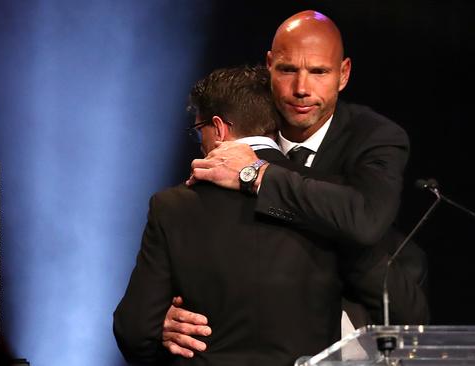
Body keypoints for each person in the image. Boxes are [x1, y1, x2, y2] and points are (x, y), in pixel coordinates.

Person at [162, 10, 429, 358]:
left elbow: (364, 221)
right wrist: (169, 312)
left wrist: (257, 174)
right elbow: (195, 233)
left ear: (343, 74)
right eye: (288, 70)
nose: (302, 89)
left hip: (351, 331)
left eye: (319, 72)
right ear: (269, 65)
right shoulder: (244, 124)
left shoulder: (375, 137)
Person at [114, 65, 354, 365]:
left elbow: (134, 330)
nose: (200, 144)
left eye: (198, 131)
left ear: (219, 129)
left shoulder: (173, 206)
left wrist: (159, 325)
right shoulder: (330, 195)